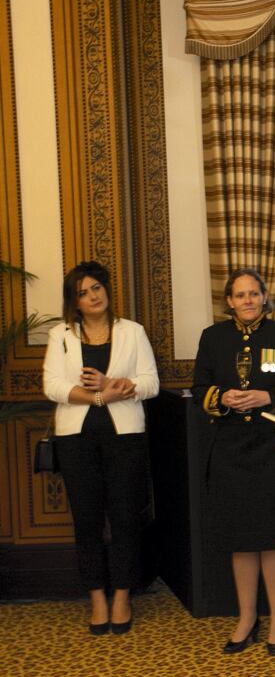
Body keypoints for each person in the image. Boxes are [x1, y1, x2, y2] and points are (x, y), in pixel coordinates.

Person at [191, 268, 275, 656]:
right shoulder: (213, 338)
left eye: (253, 294)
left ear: (264, 297)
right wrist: (221, 398)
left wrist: (268, 397)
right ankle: (247, 617)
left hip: (271, 450)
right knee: (241, 540)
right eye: (239, 295)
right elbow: (199, 388)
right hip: (230, 450)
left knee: (272, 538)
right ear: (228, 301)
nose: (247, 301)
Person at [43, 261, 159, 635]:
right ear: (73, 302)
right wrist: (98, 397)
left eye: (96, 288)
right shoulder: (60, 335)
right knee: (88, 521)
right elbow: (53, 387)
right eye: (83, 292)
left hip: (125, 437)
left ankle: (123, 595)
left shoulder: (132, 332)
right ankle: (96, 598)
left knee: (125, 518)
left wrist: (114, 385)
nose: (93, 296)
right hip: (76, 439)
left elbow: (151, 383)